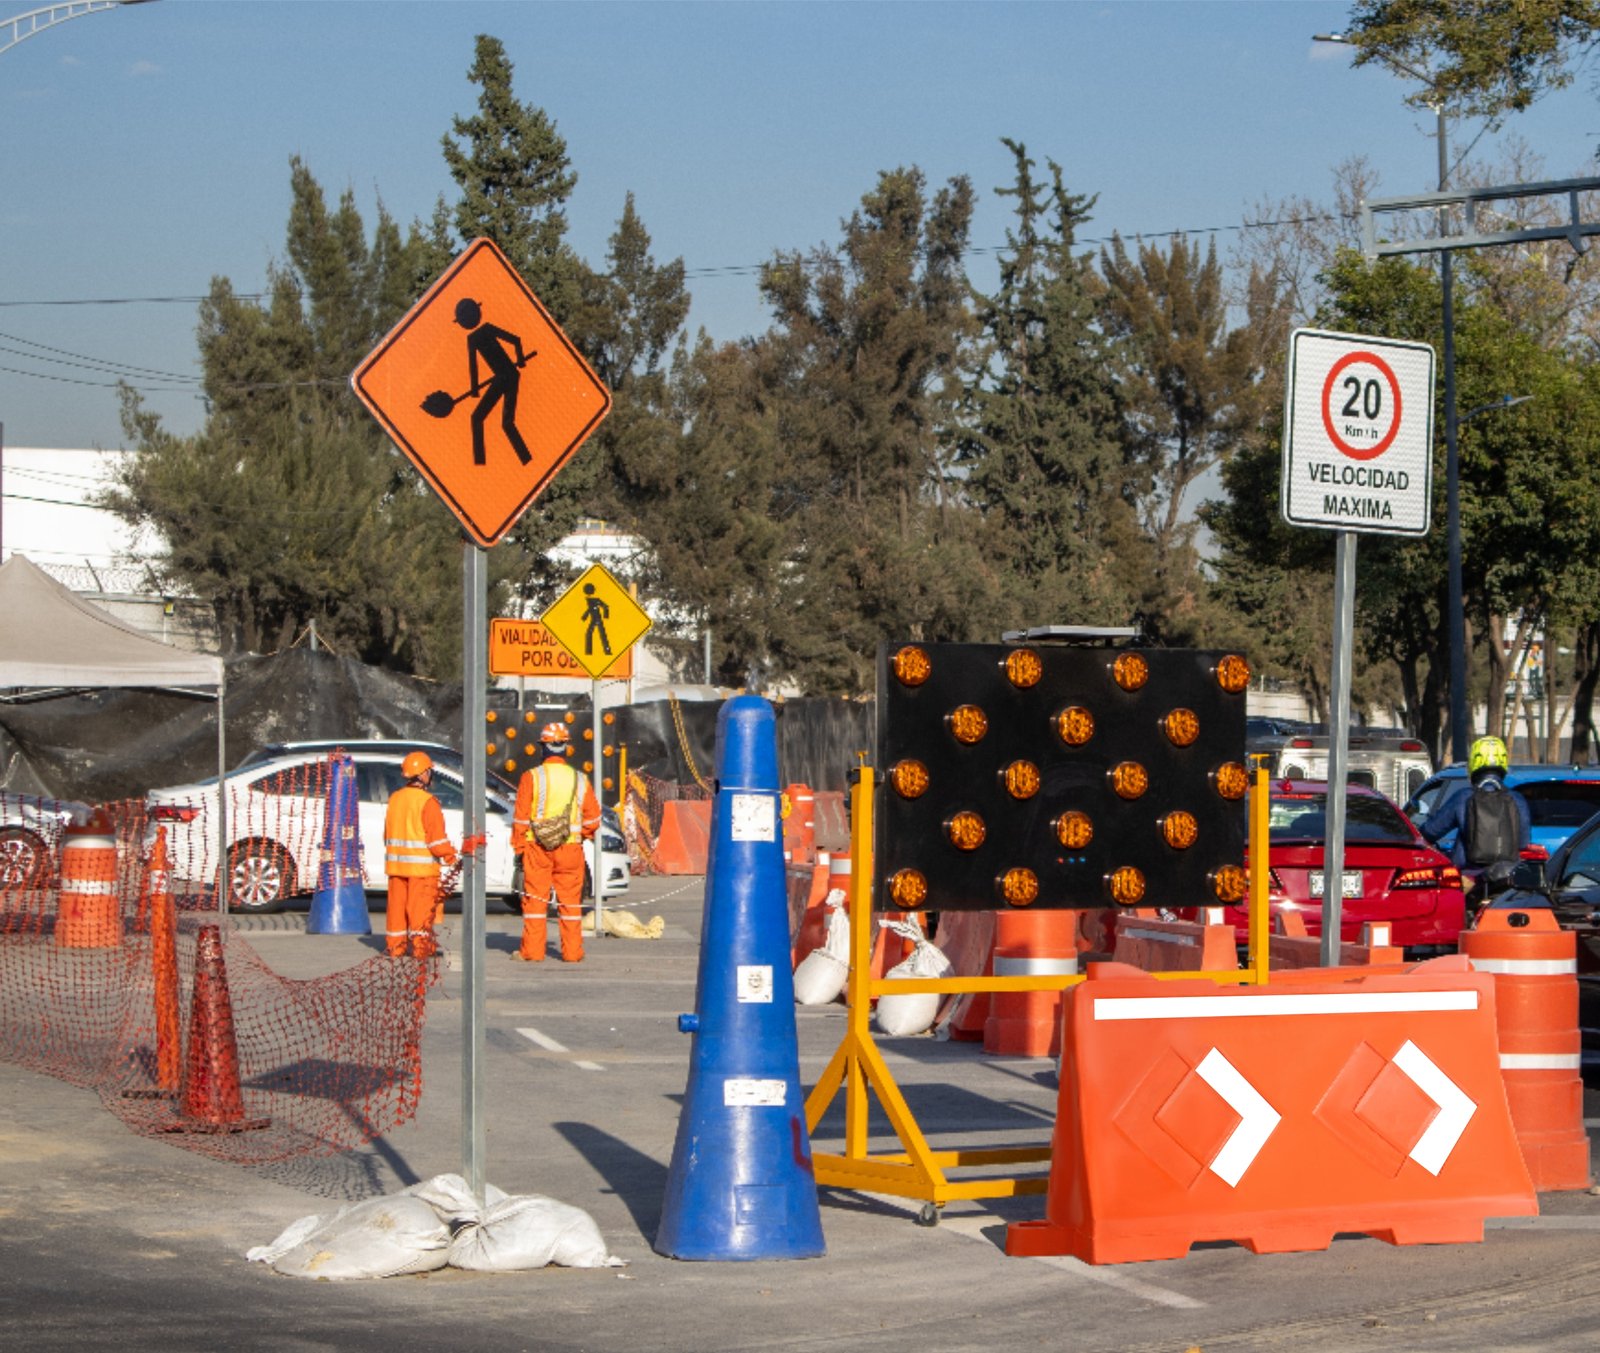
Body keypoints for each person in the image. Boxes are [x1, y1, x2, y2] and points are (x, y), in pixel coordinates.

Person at [512, 722, 601, 963]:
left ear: (543, 747)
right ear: (566, 748)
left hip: (537, 848)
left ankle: (532, 952)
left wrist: (519, 848)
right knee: (570, 904)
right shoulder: (580, 779)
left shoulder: (531, 777)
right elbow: (594, 818)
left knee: (536, 901)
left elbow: (520, 819)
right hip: (570, 849)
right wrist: (580, 835)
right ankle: (572, 953)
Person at [1419, 735, 1532, 902]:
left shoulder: (1463, 797)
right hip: (1507, 880)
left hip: (1470, 879)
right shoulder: (1517, 800)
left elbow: (1430, 831)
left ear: (1473, 764)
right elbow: (1523, 843)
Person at [383, 750, 461, 958]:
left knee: (397, 910)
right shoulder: (428, 802)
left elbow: (387, 835)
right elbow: (436, 841)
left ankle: (396, 947)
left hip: (396, 868)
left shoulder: (395, 799)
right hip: (422, 871)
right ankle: (421, 949)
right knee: (421, 911)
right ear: (424, 774)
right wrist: (451, 856)